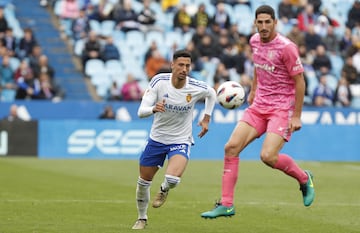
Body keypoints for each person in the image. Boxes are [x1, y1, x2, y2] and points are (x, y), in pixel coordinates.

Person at [201, 5, 315, 219]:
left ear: (275, 23)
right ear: (255, 23)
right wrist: (254, 89)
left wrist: (297, 115)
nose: (263, 26)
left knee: (268, 156)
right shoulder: (254, 41)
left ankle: (303, 178)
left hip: (281, 108)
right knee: (231, 147)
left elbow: (300, 82)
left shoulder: (287, 47)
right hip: (259, 105)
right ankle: (226, 204)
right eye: (259, 22)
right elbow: (258, 64)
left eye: (267, 22)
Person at [132, 49, 217, 230]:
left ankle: (164, 189)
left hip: (181, 139)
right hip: (157, 139)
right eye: (180, 65)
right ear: (172, 65)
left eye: (187, 65)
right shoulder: (159, 82)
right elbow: (141, 112)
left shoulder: (195, 86)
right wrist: (154, 108)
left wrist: (207, 118)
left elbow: (212, 94)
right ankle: (142, 218)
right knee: (143, 182)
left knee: (172, 179)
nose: (184, 69)